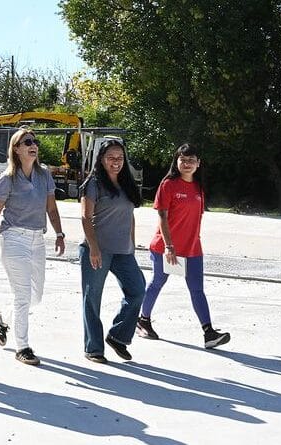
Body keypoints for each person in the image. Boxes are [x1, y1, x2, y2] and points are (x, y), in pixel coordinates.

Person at [0, 128, 65, 366]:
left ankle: (2, 319)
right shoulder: (7, 179)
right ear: (16, 149)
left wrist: (59, 234)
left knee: (35, 297)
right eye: (27, 142)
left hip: (38, 240)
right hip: (13, 239)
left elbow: (51, 209)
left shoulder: (44, 175)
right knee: (23, 296)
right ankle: (23, 347)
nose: (33, 145)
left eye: (35, 141)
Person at [136, 143, 231, 349]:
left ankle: (209, 333)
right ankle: (143, 320)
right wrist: (169, 246)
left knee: (197, 290)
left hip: (192, 248)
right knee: (158, 282)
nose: (187, 164)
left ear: (198, 163)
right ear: (176, 161)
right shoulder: (168, 185)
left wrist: (193, 241)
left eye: (191, 160)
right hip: (166, 247)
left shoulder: (198, 187)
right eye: (183, 159)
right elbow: (162, 216)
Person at [79, 138, 145, 363]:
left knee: (137, 290)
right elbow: (86, 217)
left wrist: (132, 244)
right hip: (98, 249)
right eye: (111, 158)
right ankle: (93, 348)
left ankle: (118, 336)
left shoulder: (126, 182)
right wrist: (93, 248)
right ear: (101, 159)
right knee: (92, 299)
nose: (116, 162)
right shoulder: (94, 183)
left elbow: (130, 215)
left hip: (123, 251)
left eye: (120, 158)